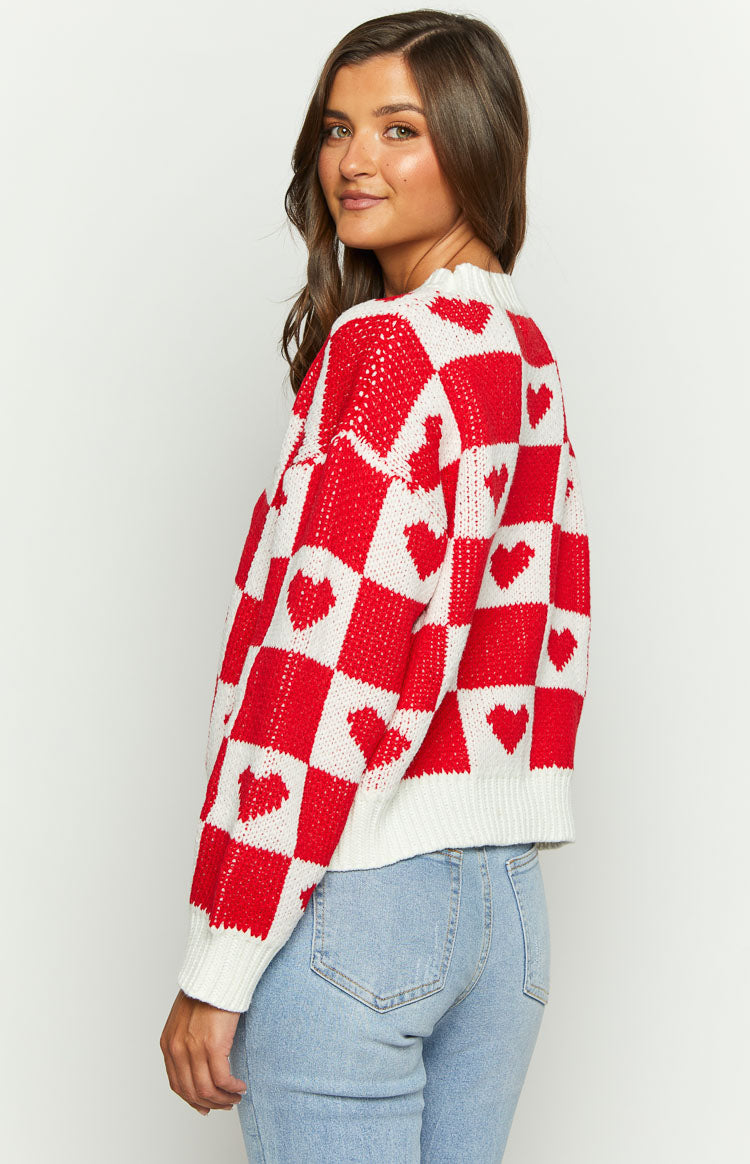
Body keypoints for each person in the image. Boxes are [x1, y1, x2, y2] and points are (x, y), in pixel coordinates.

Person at [160, 9, 592, 1161]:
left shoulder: (387, 347)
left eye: (401, 129)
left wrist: (222, 953)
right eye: (337, 128)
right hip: (507, 916)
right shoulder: (522, 354)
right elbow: (541, 627)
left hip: (363, 904)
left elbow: (326, 661)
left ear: (478, 142)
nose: (354, 161)